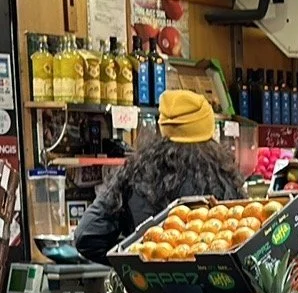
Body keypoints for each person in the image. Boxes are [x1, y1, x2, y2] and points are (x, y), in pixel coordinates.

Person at [74, 89, 244, 264]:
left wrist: (137, 256)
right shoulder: (224, 175)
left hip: (150, 288)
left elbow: (86, 236)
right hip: (218, 285)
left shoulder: (135, 172)